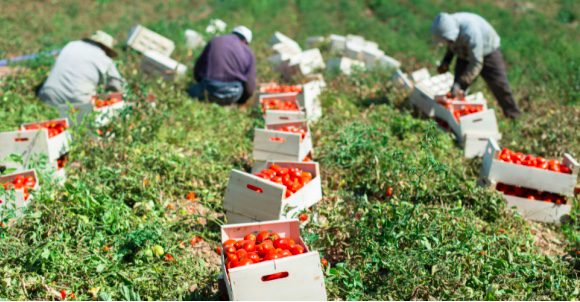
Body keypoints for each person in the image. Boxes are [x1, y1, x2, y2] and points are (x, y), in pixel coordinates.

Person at [431, 12, 522, 119]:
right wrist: (446, 61)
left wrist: (462, 82)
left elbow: (476, 62)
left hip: (488, 51)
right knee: (456, 91)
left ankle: (513, 116)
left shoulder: (470, 32)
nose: (447, 42)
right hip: (464, 52)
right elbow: (451, 45)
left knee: (499, 85)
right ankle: (457, 119)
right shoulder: (449, 28)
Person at [38, 30, 125, 106]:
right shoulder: (104, 58)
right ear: (106, 49)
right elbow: (117, 85)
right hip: (77, 103)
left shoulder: (71, 45)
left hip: (47, 96)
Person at [188, 26, 256, 105]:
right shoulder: (248, 51)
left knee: (191, 90)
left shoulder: (215, 41)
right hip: (233, 93)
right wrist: (241, 101)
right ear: (245, 41)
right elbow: (250, 87)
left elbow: (198, 69)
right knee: (239, 88)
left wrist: (202, 82)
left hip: (208, 89)